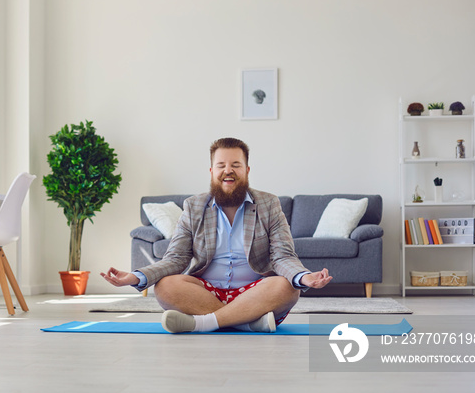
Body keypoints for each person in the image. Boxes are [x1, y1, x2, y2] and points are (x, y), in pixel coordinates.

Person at [100, 137, 332, 333]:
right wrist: (135, 277)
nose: (228, 170)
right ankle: (248, 323)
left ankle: (204, 323)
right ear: (212, 171)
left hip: (255, 290)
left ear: (247, 170)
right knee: (165, 286)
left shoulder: (269, 204)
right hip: (206, 291)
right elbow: (176, 259)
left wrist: (303, 277)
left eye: (235, 165)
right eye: (221, 165)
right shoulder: (194, 206)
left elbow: (282, 256)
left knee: (288, 287)